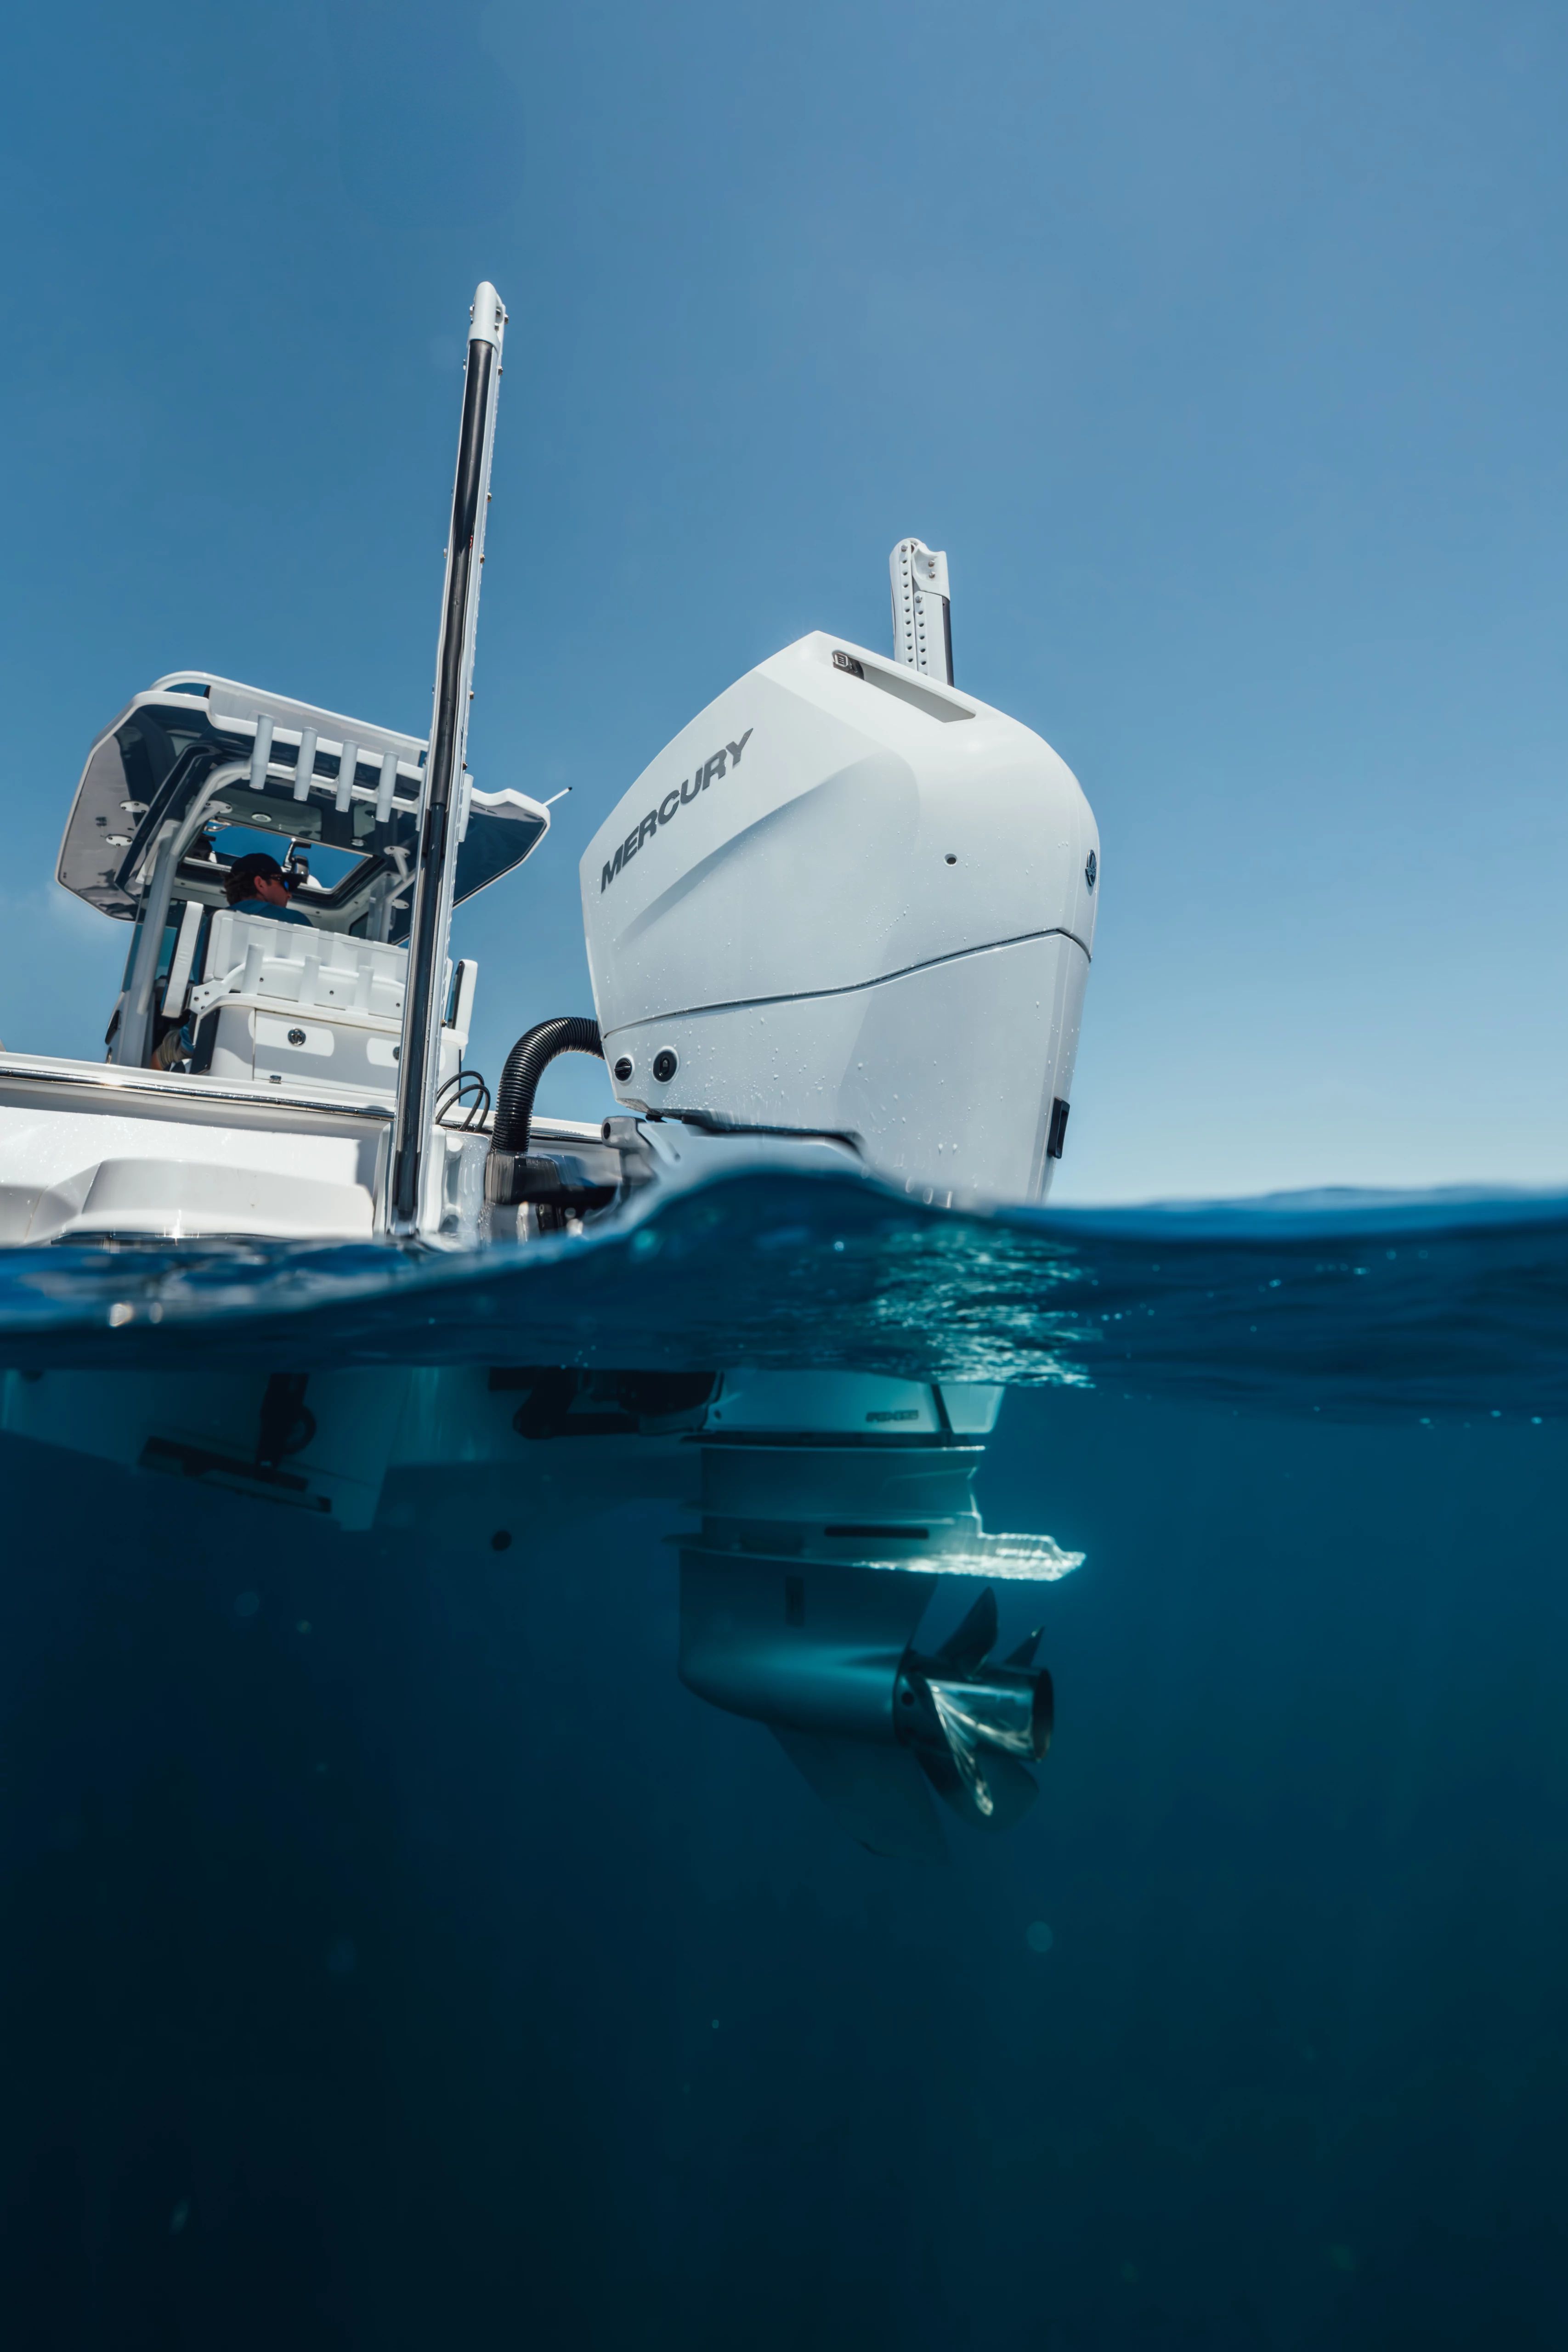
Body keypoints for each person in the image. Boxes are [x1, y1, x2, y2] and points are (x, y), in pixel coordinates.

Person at [224, 850, 312, 926]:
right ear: (260, 884)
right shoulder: (295, 921)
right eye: (285, 884)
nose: (289, 895)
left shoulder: (214, 922)